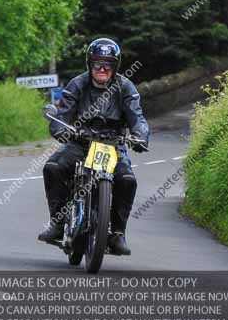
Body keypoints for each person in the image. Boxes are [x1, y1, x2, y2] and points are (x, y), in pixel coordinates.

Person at [38, 37, 149, 256]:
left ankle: (117, 233)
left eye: (107, 64)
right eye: (97, 63)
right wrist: (61, 128)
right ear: (90, 63)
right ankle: (58, 223)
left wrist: (140, 136)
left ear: (115, 67)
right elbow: (62, 114)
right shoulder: (77, 84)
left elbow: (138, 118)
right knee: (52, 167)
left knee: (127, 180)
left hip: (112, 146)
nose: (102, 68)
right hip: (80, 142)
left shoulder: (125, 87)